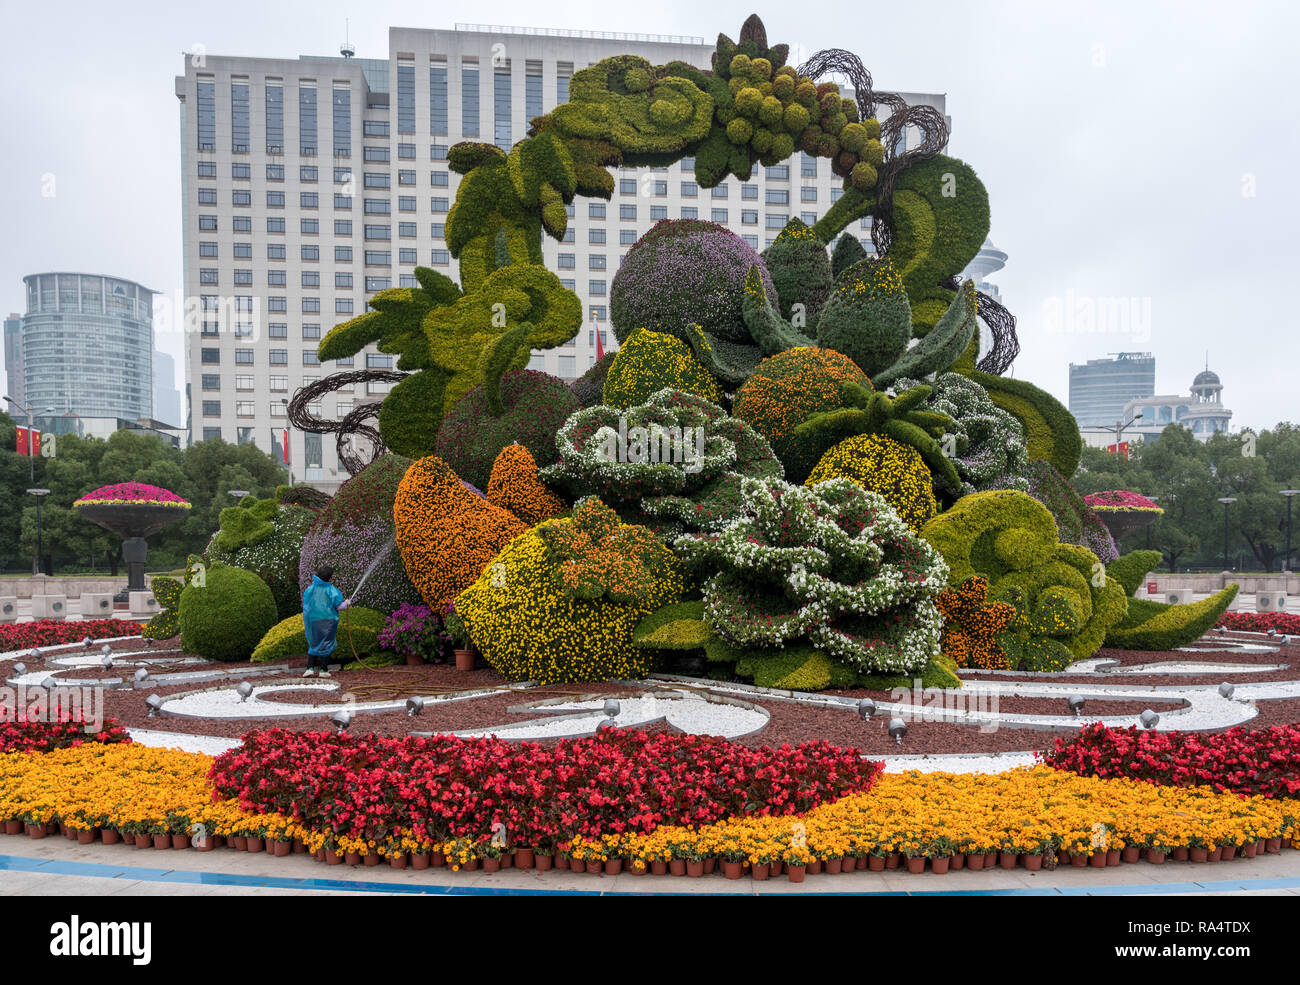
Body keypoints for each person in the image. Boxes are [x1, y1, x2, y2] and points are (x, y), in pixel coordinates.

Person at [302, 565, 353, 678]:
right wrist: (346, 603)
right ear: (330, 578)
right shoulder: (332, 590)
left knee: (314, 643)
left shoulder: (310, 589)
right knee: (326, 643)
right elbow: (339, 606)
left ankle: (309, 668)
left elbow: (306, 605)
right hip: (328, 622)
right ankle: (323, 670)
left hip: (313, 621)